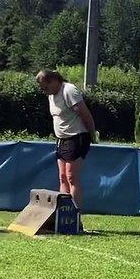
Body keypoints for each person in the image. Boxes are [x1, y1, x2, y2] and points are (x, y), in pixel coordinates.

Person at [35, 70, 98, 211]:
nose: (44, 91)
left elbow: (85, 114)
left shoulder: (68, 91)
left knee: (71, 177)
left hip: (77, 137)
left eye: (45, 88)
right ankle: (64, 214)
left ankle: (76, 216)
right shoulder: (51, 95)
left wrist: (92, 134)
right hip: (62, 139)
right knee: (62, 177)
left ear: (54, 81)